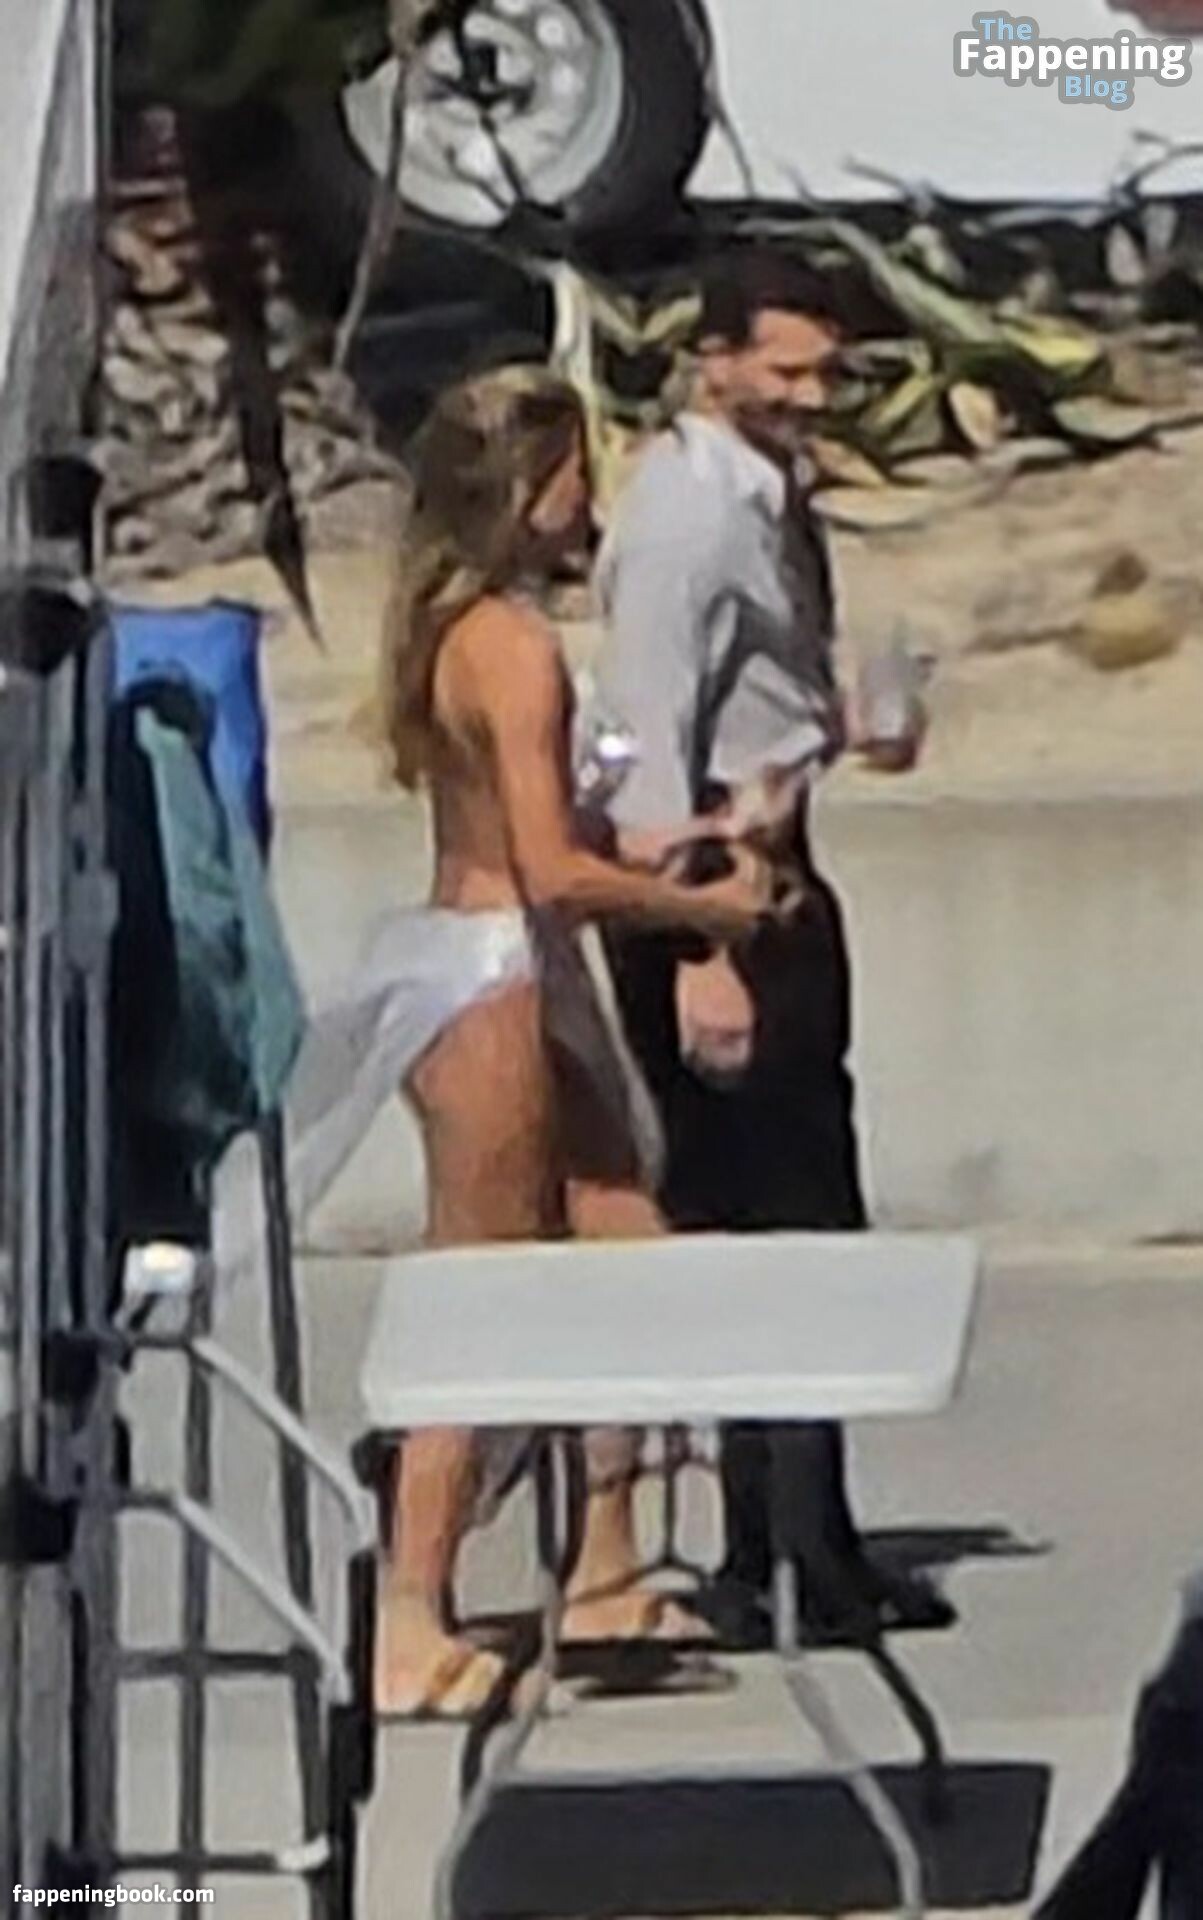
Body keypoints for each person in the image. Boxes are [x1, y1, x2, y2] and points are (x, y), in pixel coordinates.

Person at [371, 365, 773, 1717]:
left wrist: (659, 845)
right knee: (480, 1295)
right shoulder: (510, 646)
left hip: (514, 965)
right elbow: (547, 868)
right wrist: (702, 910)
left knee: (621, 1243)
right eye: (571, 476)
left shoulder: (464, 632)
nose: (589, 500)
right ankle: (407, 1608)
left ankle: (602, 1556)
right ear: (523, 489)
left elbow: (548, 834)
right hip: (495, 981)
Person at [594, 250, 950, 1646]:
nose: (810, 395)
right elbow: (650, 746)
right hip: (718, 898)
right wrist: (705, 947)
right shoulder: (685, 519)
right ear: (716, 359)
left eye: (827, 373)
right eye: (786, 370)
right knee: (765, 1220)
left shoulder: (766, 496)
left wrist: (838, 729)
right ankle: (776, 1554)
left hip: (781, 865)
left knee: (816, 1209)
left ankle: (817, 1536)